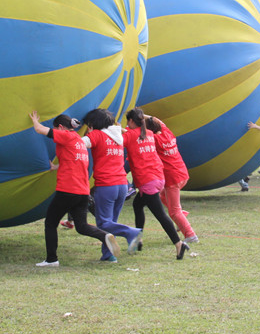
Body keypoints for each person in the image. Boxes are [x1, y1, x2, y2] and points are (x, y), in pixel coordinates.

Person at [29, 111, 120, 266]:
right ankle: (105, 235)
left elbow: (40, 130)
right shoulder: (78, 140)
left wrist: (35, 121)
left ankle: (52, 259)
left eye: (56, 129)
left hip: (68, 189)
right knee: (82, 226)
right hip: (83, 192)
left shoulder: (66, 136)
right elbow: (73, 161)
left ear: (60, 127)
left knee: (50, 222)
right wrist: (56, 166)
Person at [123, 108, 189, 260]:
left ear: (131, 121)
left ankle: (179, 244)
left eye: (128, 121)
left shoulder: (131, 135)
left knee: (160, 215)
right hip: (158, 178)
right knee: (137, 205)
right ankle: (138, 239)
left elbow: (120, 140)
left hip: (148, 181)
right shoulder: (150, 134)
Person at [80, 108, 142, 263]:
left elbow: (78, 144)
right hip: (122, 184)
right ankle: (108, 255)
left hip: (106, 185)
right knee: (110, 222)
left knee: (103, 223)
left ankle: (131, 233)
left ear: (93, 124)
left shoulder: (97, 135)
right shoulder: (118, 136)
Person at [145, 115, 198, 244]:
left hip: (172, 179)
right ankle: (182, 218)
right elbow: (159, 120)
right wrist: (145, 116)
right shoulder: (166, 132)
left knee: (174, 212)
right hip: (182, 174)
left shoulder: (155, 139)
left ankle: (190, 235)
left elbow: (138, 137)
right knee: (163, 196)